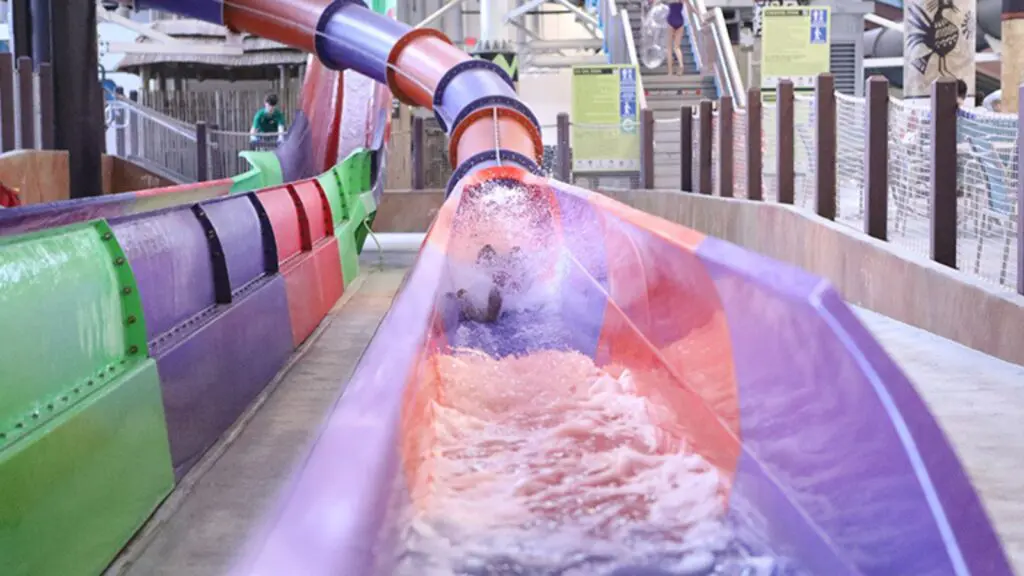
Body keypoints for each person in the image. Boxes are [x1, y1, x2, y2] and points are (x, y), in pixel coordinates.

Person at [665, 0, 685, 76]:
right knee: (677, 47)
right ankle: (681, 64)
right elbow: (691, 8)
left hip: (671, 20)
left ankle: (670, 72)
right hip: (680, 21)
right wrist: (700, 16)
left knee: (669, 48)